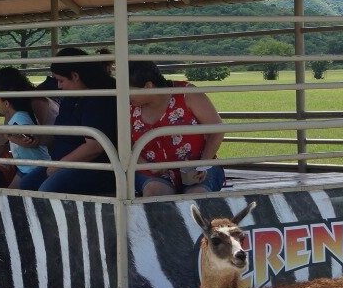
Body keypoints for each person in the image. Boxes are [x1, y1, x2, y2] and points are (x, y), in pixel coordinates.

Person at [18, 48, 118, 196]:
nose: (59, 86)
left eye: (61, 80)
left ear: (75, 76)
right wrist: (36, 140)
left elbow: (94, 147)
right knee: (26, 184)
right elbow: (60, 132)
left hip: (95, 168)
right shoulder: (71, 97)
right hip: (64, 163)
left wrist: (60, 165)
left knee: (47, 189)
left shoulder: (99, 99)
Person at [129, 61, 226, 196]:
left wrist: (203, 164)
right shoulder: (128, 105)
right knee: (154, 192)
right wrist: (145, 165)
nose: (125, 95)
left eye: (129, 89)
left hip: (198, 167)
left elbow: (217, 130)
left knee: (197, 194)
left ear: (148, 86)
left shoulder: (188, 94)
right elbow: (125, 143)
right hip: (152, 173)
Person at [0, 70, 52, 187]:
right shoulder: (14, 110)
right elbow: (5, 137)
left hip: (40, 162)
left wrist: (14, 137)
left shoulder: (35, 104)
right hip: (26, 165)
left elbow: (36, 139)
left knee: (24, 187)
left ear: (7, 101)